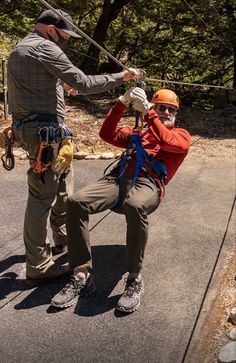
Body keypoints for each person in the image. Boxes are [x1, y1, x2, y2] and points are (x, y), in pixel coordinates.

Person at [7, 8, 140, 288]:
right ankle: (38, 266)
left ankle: (63, 239)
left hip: (33, 129)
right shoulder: (46, 48)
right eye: (64, 37)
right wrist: (122, 76)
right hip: (46, 133)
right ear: (51, 30)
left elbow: (37, 84)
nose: (64, 43)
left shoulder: (21, 48)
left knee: (63, 186)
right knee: (41, 197)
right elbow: (85, 82)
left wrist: (61, 86)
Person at [50, 87, 191, 312]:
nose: (165, 112)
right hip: (119, 178)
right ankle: (81, 274)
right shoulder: (138, 133)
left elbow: (166, 140)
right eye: (160, 107)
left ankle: (134, 277)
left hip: (148, 184)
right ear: (153, 108)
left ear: (176, 114)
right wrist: (121, 104)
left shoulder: (181, 136)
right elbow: (106, 134)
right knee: (76, 201)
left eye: (170, 110)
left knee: (134, 205)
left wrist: (149, 113)